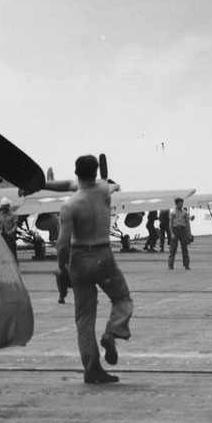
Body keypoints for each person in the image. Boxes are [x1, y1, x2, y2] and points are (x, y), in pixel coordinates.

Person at [55, 154, 134, 384]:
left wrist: (62, 269)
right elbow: (76, 184)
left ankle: (92, 369)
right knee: (122, 300)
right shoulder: (103, 189)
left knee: (84, 318)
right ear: (96, 172)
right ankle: (112, 331)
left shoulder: (69, 205)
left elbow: (62, 244)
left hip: (78, 259)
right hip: (102, 256)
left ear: (75, 172)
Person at [167, 197, 192, 269]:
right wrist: (171, 233)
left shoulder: (184, 213)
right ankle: (170, 265)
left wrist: (189, 233)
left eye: (182, 203)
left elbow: (187, 223)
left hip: (183, 230)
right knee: (173, 248)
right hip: (175, 229)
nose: (181, 205)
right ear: (177, 204)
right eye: (180, 203)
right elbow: (170, 224)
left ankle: (186, 264)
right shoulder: (173, 213)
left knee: (184, 248)